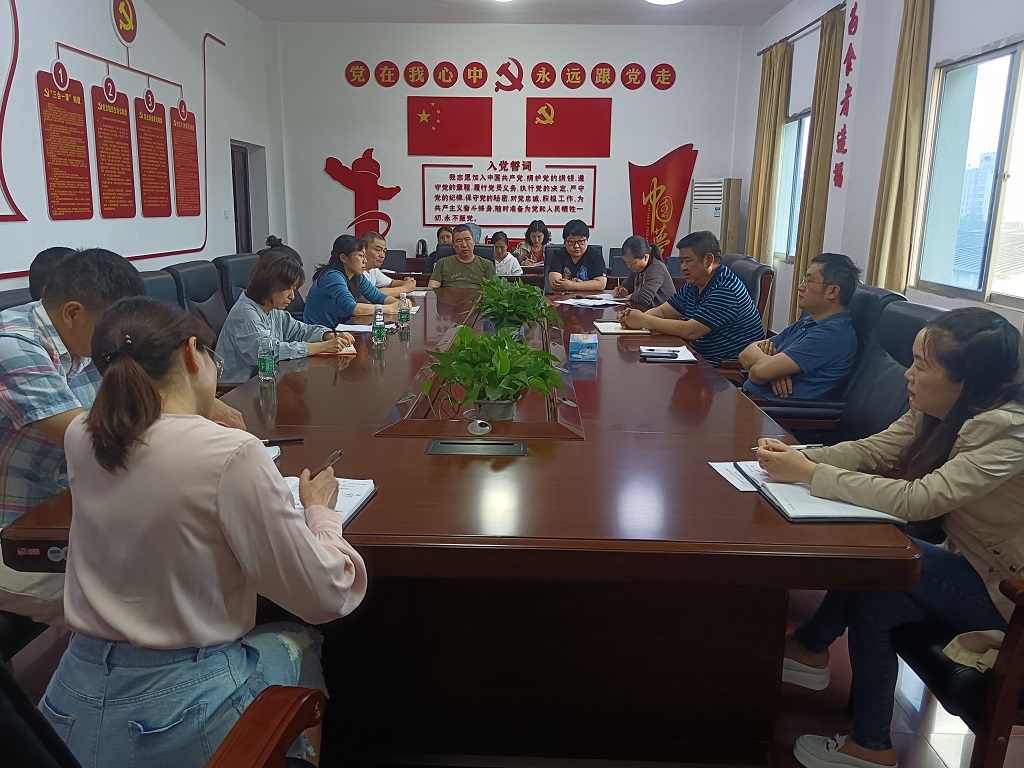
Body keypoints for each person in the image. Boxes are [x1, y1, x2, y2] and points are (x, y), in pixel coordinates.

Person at [40, 296, 367, 767]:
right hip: (179, 708)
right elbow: (324, 594)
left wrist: (193, 410)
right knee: (302, 638)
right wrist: (320, 514)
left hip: (70, 698)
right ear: (193, 353)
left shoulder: (84, 435)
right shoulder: (231, 451)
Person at [755, 307, 1024, 768]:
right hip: (973, 568)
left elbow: (920, 499)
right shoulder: (938, 410)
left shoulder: (1009, 433)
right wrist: (801, 459)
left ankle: (812, 651)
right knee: (880, 591)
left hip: (1009, 596)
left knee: (884, 558)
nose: (908, 374)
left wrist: (810, 474)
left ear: (967, 381)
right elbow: (872, 450)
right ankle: (870, 743)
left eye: (921, 365)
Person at [0, 248, 244, 624]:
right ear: (72, 313)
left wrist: (203, 400)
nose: (120, 339)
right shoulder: (12, 344)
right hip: (16, 534)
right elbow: (90, 437)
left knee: (204, 558)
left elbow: (145, 398)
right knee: (161, 596)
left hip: (75, 512)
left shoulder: (87, 339)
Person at [619, 231, 763, 367]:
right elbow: (664, 311)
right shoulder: (695, 283)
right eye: (681, 261)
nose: (683, 267)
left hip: (718, 366)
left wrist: (643, 320)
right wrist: (634, 319)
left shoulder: (726, 289)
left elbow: (691, 330)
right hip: (695, 355)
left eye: (687, 261)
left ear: (709, 260)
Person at [216, 251, 356, 383]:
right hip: (239, 389)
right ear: (270, 285)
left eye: (294, 289)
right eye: (289, 289)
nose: (292, 296)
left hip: (268, 381)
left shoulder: (271, 308)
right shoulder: (245, 315)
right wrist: (323, 346)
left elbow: (299, 330)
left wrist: (328, 335)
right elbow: (269, 353)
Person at [739, 253, 859, 399]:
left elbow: (758, 372)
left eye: (809, 281)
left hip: (771, 409)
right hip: (751, 400)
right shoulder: (809, 321)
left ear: (832, 291)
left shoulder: (832, 334)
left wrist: (768, 369)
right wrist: (774, 370)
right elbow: (745, 354)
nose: (800, 287)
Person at [303, 234, 401, 327]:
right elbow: (354, 308)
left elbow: (378, 297)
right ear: (344, 258)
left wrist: (401, 303)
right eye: (360, 256)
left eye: (365, 256)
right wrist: (391, 308)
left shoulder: (356, 276)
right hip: (321, 332)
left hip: (341, 327)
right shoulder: (332, 277)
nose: (365, 261)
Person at [611, 236, 673, 309]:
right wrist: (623, 290)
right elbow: (627, 285)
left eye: (632, 263)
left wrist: (630, 296)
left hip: (665, 314)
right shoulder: (637, 268)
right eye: (626, 262)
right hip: (648, 311)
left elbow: (645, 298)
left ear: (646, 257)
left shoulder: (657, 267)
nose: (629, 266)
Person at [427, 224, 496, 288]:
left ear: (473, 241)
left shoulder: (487, 265)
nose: (464, 245)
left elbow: (493, 290)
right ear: (453, 244)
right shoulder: (442, 263)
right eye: (458, 241)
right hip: (449, 297)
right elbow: (432, 286)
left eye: (467, 239)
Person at [546, 220, 607, 292]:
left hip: (589, 297)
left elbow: (601, 284)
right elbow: (555, 283)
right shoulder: (559, 254)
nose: (576, 246)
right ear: (565, 241)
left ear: (587, 240)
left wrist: (571, 285)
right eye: (571, 242)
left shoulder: (595, 254)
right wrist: (588, 285)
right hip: (563, 297)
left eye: (581, 241)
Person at [361, 232, 417, 297]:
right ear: (363, 249)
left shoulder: (373, 270)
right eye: (378, 250)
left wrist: (407, 282)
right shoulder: (357, 272)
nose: (382, 255)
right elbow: (374, 294)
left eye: (384, 251)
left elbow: (390, 283)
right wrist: (404, 288)